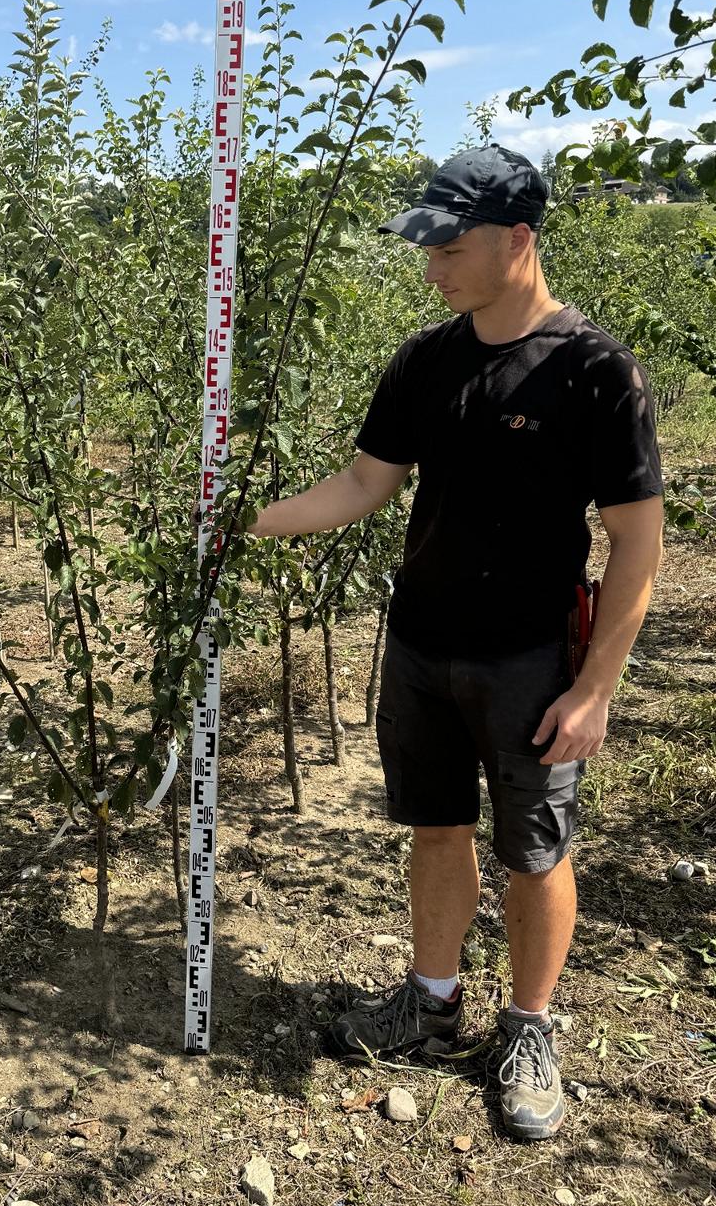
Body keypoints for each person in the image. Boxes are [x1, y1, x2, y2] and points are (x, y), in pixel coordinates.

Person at [249, 144, 664, 1141]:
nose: (432, 266)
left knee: (533, 849)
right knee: (437, 828)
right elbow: (364, 486)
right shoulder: (426, 362)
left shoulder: (596, 372)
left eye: (450, 246)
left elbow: (637, 542)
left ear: (518, 240)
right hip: (421, 646)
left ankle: (526, 1028)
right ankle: (432, 1002)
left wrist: (596, 688)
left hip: (532, 658)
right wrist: (245, 524)